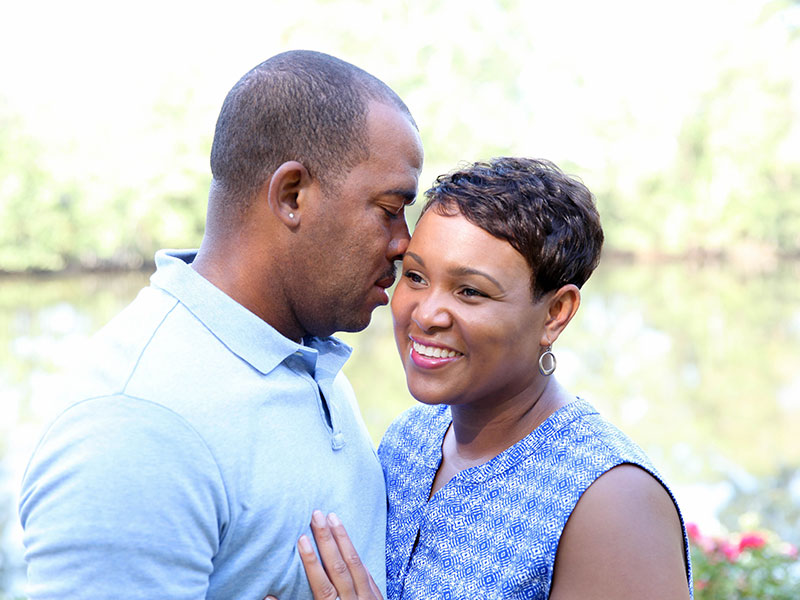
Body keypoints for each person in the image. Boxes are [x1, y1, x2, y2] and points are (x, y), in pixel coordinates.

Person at [18, 50, 423, 599]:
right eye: (389, 209)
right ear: (292, 195)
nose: (404, 243)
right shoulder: (137, 425)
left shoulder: (301, 349)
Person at [285, 157, 693, 599]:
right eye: (416, 276)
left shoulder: (611, 499)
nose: (426, 314)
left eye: (470, 291)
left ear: (555, 314)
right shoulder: (409, 440)